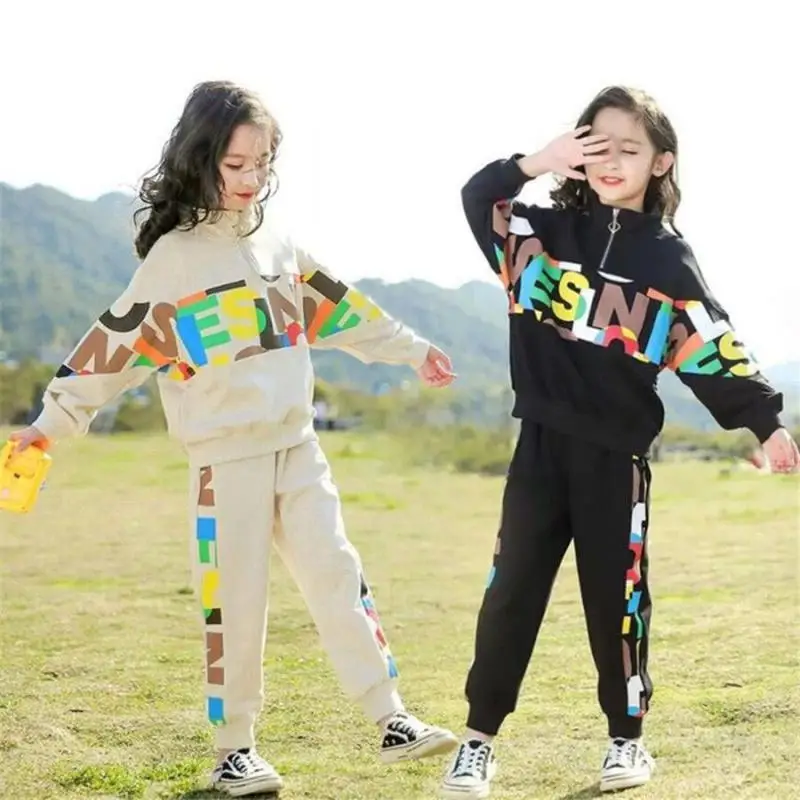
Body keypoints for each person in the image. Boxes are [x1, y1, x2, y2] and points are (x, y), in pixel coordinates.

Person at [10, 80, 459, 798]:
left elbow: (342, 308)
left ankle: (390, 716)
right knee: (236, 602)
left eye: (262, 163)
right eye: (236, 164)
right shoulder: (174, 261)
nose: (251, 179)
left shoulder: (279, 245)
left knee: (338, 575)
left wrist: (413, 349)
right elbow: (113, 347)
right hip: (225, 459)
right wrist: (50, 422)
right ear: (202, 158)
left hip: (298, 446)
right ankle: (235, 751)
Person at [439, 85, 799, 799]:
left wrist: (766, 421)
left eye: (629, 149)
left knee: (618, 602)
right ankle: (477, 742)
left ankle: (626, 740)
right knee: (510, 593)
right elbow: (479, 196)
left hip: (615, 459)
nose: (611, 161)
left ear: (661, 162)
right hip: (539, 448)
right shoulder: (536, 234)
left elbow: (710, 344)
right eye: (596, 146)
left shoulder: (667, 262)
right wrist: (535, 161)